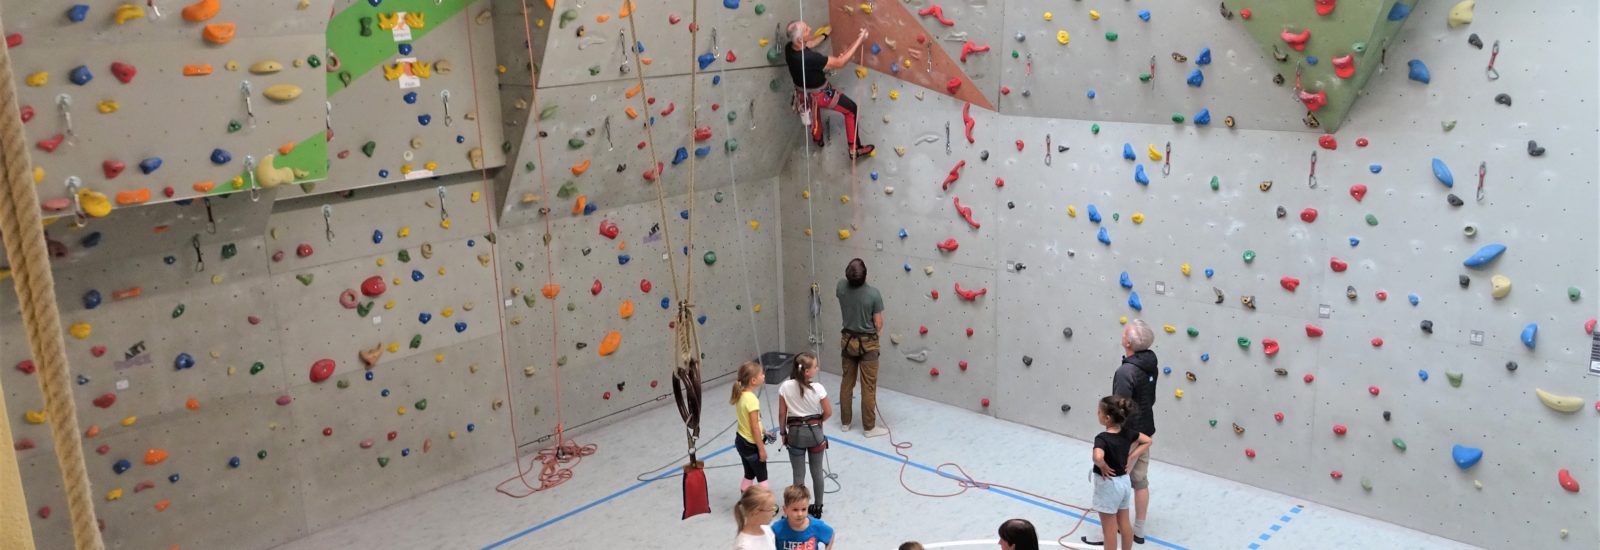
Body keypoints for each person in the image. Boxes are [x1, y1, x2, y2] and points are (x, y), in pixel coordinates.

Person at [1085, 320, 1159, 546]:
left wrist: (1117, 437)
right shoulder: (1150, 362)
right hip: (1145, 427)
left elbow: (1119, 406)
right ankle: (1138, 531)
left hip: (1126, 434)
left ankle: (1108, 532)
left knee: (1113, 481)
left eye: (1125, 332)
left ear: (1128, 342)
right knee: (1140, 481)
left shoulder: (1126, 370)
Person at [785, 20, 875, 159]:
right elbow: (841, 63)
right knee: (852, 109)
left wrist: (824, 35)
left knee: (814, 114)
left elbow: (809, 44)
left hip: (803, 95)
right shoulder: (810, 58)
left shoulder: (789, 48)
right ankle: (854, 149)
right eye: (806, 29)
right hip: (821, 94)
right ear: (799, 39)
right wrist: (860, 39)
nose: (810, 28)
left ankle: (818, 138)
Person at [1088, 396, 1153, 550]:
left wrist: (1102, 465)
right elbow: (1147, 441)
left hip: (1108, 486)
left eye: (1099, 412)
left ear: (1107, 418)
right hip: (1124, 482)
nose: (1097, 414)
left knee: (1109, 530)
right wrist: (1132, 456)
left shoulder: (1102, 438)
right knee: (1124, 525)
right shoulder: (1127, 433)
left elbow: (1097, 456)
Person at [777, 351, 833, 518]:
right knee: (817, 472)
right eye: (815, 366)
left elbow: (782, 414)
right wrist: (819, 421)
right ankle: (817, 507)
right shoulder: (818, 388)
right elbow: (828, 412)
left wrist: (783, 432)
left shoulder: (785, 387)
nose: (817, 368)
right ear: (807, 372)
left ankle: (798, 508)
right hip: (815, 434)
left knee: (798, 475)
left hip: (795, 434)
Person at [836, 258, 887, 438]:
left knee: (847, 382)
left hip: (848, 340)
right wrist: (876, 332)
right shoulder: (873, 294)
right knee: (868, 386)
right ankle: (869, 428)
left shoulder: (841, 287)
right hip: (868, 343)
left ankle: (845, 423)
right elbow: (878, 323)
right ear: (865, 275)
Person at [730, 360, 770, 492]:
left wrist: (764, 431)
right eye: (761, 375)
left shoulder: (740, 395)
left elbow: (752, 422)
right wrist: (761, 449)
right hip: (751, 445)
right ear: (753, 380)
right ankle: (765, 505)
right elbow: (753, 428)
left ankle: (744, 501)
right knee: (762, 476)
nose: (763, 376)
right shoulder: (752, 400)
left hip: (741, 441)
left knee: (749, 474)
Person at [773, 485, 837, 549]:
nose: (800, 514)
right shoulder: (777, 528)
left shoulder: (816, 526)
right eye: (795, 510)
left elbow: (831, 534)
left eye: (803, 509)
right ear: (785, 510)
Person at [733, 485, 778, 550]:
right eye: (771, 509)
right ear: (756, 511)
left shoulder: (767, 531)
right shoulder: (743, 546)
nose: (773, 513)